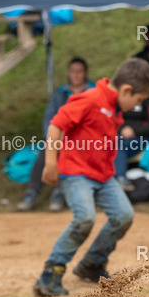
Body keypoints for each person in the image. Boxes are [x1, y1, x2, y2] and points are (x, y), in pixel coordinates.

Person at [33, 59, 149, 297]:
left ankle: (92, 263)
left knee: (123, 216)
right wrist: (50, 162)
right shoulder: (90, 98)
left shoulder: (114, 106)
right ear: (126, 90)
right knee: (85, 219)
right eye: (139, 100)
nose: (137, 106)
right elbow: (55, 126)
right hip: (76, 172)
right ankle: (51, 273)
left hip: (103, 175)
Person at [17, 58, 95, 212]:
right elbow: (49, 118)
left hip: (85, 141)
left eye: (79, 71)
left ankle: (59, 193)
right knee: (45, 153)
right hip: (59, 137)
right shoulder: (60, 93)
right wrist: (52, 137)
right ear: (68, 73)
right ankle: (32, 192)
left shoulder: (93, 92)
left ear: (85, 73)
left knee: (68, 155)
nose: (76, 75)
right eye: (73, 71)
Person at [116, 96, 149, 190]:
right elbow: (112, 118)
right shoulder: (122, 96)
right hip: (119, 134)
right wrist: (122, 128)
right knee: (109, 143)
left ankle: (120, 178)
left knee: (118, 146)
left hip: (140, 137)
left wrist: (134, 130)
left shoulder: (148, 99)